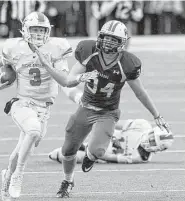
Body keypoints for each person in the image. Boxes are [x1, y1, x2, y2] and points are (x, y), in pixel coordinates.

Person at [34, 20, 171, 198]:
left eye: (114, 40)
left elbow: (140, 93)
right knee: (68, 151)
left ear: (122, 43)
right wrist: (83, 76)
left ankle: (90, 157)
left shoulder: (128, 63)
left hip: (108, 112)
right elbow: (70, 79)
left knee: (97, 151)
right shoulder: (89, 51)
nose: (108, 42)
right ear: (100, 37)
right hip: (86, 107)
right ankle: (68, 181)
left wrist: (156, 115)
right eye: (106, 38)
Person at [0, 12, 83, 200]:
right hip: (22, 103)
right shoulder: (15, 48)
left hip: (44, 108)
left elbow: (64, 80)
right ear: (25, 30)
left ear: (48, 31)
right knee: (32, 131)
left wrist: (49, 65)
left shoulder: (56, 48)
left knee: (24, 148)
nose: (39, 34)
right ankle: (18, 175)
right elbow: (1, 64)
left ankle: (7, 175)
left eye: (42, 30)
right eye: (35, 30)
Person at [49, 119, 174, 164]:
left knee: (62, 155)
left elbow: (113, 158)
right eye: (153, 139)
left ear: (158, 149)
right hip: (105, 136)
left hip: (102, 152)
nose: (150, 143)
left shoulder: (141, 157)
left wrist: (95, 154)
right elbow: (115, 124)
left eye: (154, 144)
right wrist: (100, 128)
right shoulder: (142, 125)